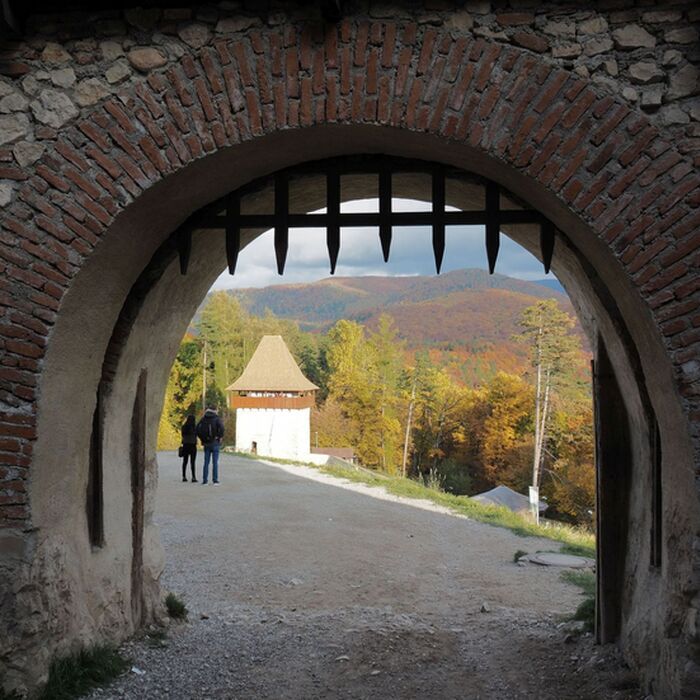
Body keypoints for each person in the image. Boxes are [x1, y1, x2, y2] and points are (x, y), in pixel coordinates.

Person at [196, 405, 224, 485]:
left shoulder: (203, 418)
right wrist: (219, 436)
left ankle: (205, 481)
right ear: (215, 410)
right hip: (215, 443)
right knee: (215, 462)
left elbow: (197, 428)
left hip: (206, 443)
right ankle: (215, 480)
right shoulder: (217, 418)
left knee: (206, 462)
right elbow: (222, 428)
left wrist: (202, 438)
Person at [180, 415, 198, 483]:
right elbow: (197, 434)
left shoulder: (184, 427)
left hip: (185, 445)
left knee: (185, 461)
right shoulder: (195, 427)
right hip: (193, 445)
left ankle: (184, 476)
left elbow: (182, 435)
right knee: (192, 462)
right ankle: (193, 477)